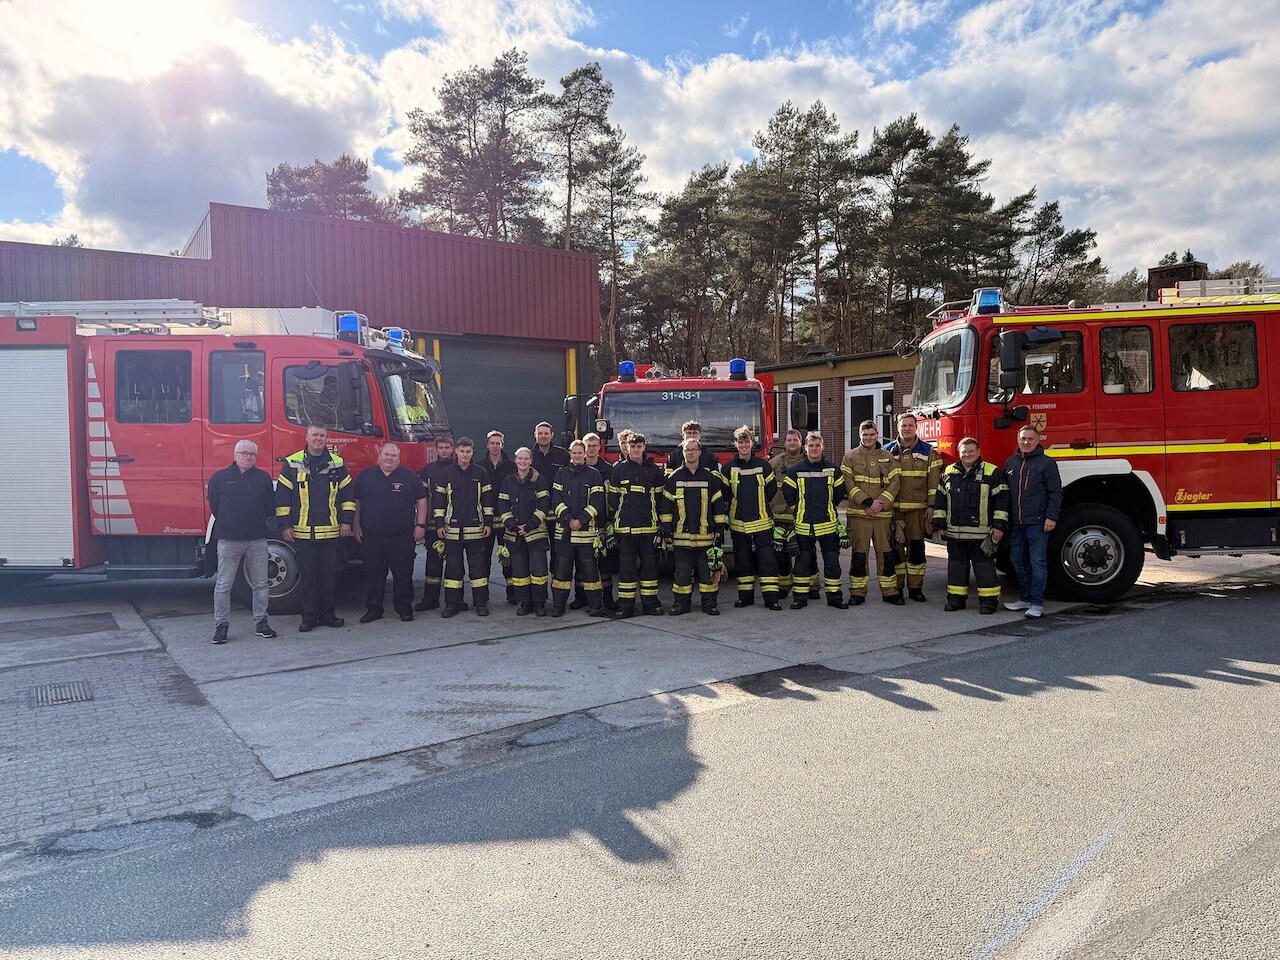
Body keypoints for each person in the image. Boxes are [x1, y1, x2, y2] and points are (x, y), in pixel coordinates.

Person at [276, 425, 354, 631]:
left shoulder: (337, 463)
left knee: (328, 577)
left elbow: (347, 496)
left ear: (326, 439)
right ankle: (309, 618)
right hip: (303, 532)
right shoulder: (292, 463)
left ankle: (328, 615)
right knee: (308, 577)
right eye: (315, 435)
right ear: (307, 437)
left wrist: (347, 521)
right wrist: (285, 526)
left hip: (330, 531)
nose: (318, 439)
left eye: (322, 435)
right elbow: (282, 498)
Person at [208, 440, 277, 644]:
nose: (248, 457)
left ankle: (261, 622)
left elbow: (269, 507)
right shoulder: (219, 478)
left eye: (252, 454)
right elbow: (215, 506)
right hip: (228, 540)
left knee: (261, 584)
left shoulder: (263, 479)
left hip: (257, 538)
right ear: (235, 455)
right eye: (244, 453)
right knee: (223, 585)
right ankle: (221, 626)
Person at [933, 437, 1010, 614]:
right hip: (955, 533)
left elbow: (1002, 500)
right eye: (964, 452)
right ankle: (955, 600)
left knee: (984, 569)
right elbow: (940, 499)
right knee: (956, 568)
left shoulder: (992, 472)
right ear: (959, 453)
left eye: (971, 451)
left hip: (982, 534)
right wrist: (939, 524)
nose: (967, 455)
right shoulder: (949, 471)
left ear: (978, 452)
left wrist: (999, 526)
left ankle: (989, 602)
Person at [352, 443, 427, 624]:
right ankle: (374, 610)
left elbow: (422, 501)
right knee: (374, 577)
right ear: (379, 456)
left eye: (393, 455)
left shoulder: (409, 476)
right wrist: (356, 525)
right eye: (386, 454)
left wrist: (420, 525)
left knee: (403, 576)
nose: (389, 458)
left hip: (402, 537)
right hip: (372, 537)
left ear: (398, 458)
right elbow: (357, 503)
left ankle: (404, 609)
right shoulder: (365, 476)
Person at [841, 420, 904, 606]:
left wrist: (879, 504)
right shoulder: (849, 457)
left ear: (877, 434)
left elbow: (895, 483)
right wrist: (868, 502)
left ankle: (890, 591)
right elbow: (848, 484)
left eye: (872, 434)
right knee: (859, 554)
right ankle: (857, 592)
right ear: (859, 435)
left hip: (882, 516)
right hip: (859, 515)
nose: (868, 438)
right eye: (865, 435)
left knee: (887, 554)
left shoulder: (888, 457)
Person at [781, 432, 847, 609]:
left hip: (828, 526)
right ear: (805, 448)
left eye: (817, 445)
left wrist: (827, 508)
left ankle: (835, 598)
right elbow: (788, 493)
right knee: (802, 565)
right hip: (804, 526)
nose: (814, 448)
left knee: (832, 563)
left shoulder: (833, 470)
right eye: (811, 445)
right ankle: (800, 599)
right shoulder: (795, 470)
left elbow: (839, 494)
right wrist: (799, 510)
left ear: (823, 447)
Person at [662, 437, 726, 615]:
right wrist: (666, 530)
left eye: (693, 450)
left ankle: (709, 604)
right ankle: (681, 604)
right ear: (683, 453)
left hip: (705, 537)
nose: (690, 453)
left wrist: (719, 529)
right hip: (681, 538)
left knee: (707, 574)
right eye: (687, 450)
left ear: (699, 452)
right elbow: (666, 507)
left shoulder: (710, 478)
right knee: (682, 575)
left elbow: (718, 506)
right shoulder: (674, 478)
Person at [1003, 424, 1062, 619]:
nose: (1026, 442)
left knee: (1037, 562)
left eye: (1030, 439)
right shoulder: (1010, 463)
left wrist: (1051, 517)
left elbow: (1055, 492)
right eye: (1023, 438)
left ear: (1038, 441)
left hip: (1038, 523)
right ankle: (1025, 598)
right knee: (1017, 560)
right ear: (1018, 440)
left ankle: (1037, 604)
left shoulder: (1047, 463)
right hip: (1016, 523)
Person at [883, 413, 943, 602]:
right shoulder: (886, 451)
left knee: (916, 550)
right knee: (895, 551)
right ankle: (898, 588)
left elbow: (934, 482)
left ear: (916, 427)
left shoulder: (928, 451)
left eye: (910, 425)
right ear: (898, 427)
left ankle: (916, 589)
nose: (907, 429)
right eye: (903, 425)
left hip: (918, 511)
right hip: (894, 511)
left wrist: (932, 506)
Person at [432, 437, 495, 617]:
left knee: (478, 569)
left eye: (468, 451)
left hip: (476, 531)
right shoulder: (446, 473)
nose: (465, 455)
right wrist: (439, 524)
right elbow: (439, 502)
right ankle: (452, 604)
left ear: (472, 452)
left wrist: (488, 523)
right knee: (453, 569)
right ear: (456, 452)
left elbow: (488, 501)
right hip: (452, 532)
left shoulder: (481, 473)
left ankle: (481, 603)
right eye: (462, 451)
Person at [549, 440, 611, 618]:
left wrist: (581, 520)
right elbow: (556, 500)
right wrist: (569, 520)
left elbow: (597, 502)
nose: (577, 456)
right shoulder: (561, 474)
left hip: (586, 533)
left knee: (590, 571)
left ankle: (595, 606)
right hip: (565, 533)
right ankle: (559, 605)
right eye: (574, 453)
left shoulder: (594, 475)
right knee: (561, 571)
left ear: (584, 454)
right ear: (570, 454)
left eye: (579, 453)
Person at [608, 431, 667, 618]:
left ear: (644, 448)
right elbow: (613, 499)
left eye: (639, 446)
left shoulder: (654, 471)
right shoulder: (619, 470)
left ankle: (650, 605)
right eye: (632, 446)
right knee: (626, 571)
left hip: (649, 529)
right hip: (625, 529)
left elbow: (660, 500)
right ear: (627, 447)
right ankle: (625, 606)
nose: (635, 450)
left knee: (650, 570)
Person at [722, 425, 781, 610]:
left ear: (752, 443)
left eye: (746, 442)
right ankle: (745, 598)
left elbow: (771, 491)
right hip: (738, 524)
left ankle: (771, 599)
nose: (744, 445)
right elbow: (725, 495)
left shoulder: (763, 466)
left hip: (762, 523)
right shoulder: (728, 468)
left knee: (767, 561)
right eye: (740, 442)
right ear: (735, 444)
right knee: (743, 562)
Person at [497, 447, 551, 617]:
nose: (523, 461)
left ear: (531, 461)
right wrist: (513, 526)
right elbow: (503, 506)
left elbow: (544, 504)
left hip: (536, 534)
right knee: (519, 573)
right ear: (515, 460)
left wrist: (529, 525)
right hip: (515, 535)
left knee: (539, 572)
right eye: (520, 458)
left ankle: (539, 604)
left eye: (526, 458)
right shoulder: (508, 481)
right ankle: (525, 603)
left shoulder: (539, 479)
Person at [415, 435, 458, 612]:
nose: (444, 450)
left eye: (447, 447)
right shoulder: (428, 470)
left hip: (456, 523)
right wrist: (422, 523)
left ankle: (455, 600)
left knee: (455, 564)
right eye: (441, 448)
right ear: (436, 449)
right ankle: (430, 599)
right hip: (433, 523)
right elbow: (422, 498)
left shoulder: (460, 468)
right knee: (433, 562)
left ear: (452, 448)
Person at [482, 430, 518, 605]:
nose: (495, 446)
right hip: (486, 522)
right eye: (492, 443)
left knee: (508, 557)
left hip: (506, 520)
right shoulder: (479, 466)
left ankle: (512, 592)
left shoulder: (511, 467)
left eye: (498, 443)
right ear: (487, 445)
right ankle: (482, 595)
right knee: (483, 559)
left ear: (503, 445)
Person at [769, 429, 805, 600]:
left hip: (803, 517)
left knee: (806, 553)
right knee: (781, 555)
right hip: (780, 516)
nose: (792, 443)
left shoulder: (808, 462)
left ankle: (810, 586)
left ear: (800, 442)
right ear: (784, 443)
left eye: (795, 440)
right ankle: (784, 586)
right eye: (789, 440)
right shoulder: (774, 463)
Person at [583, 432, 617, 610]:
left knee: (604, 563)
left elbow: (613, 498)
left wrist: (611, 521)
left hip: (602, 522)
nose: (591, 449)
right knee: (584, 563)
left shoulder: (608, 470)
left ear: (599, 447)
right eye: (588, 446)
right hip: (582, 524)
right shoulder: (576, 468)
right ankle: (582, 598)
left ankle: (608, 598)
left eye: (594, 446)